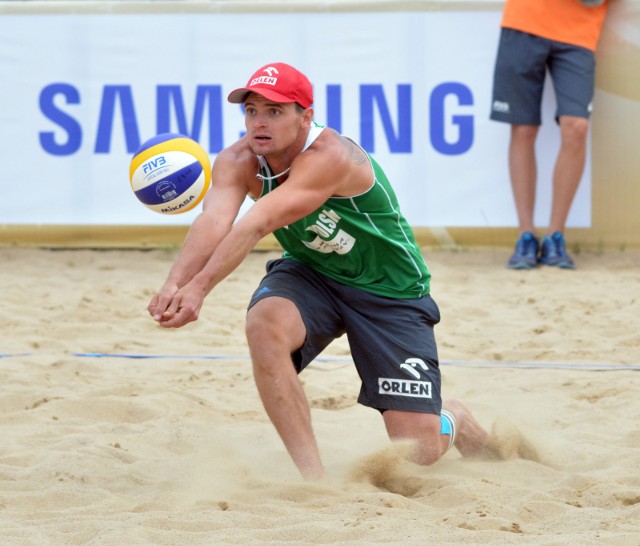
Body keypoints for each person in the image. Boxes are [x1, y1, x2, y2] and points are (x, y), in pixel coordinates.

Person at [148, 62, 491, 481]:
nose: (259, 122)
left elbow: (256, 224)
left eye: (275, 111)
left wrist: (200, 287)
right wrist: (174, 283)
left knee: (419, 451)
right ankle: (315, 480)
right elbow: (214, 222)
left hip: (389, 288)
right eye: (252, 110)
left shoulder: (331, 157)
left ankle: (456, 417)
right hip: (314, 271)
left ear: (305, 117)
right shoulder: (237, 159)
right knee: (264, 325)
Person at [490, 0, 610, 270]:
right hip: (525, 19)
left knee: (576, 127)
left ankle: (556, 236)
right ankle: (526, 235)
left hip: (580, 30)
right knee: (523, 128)